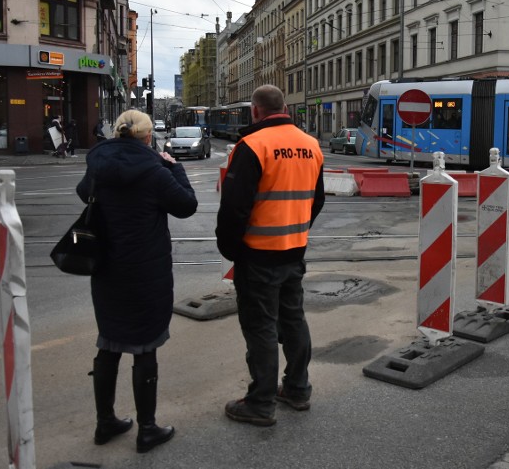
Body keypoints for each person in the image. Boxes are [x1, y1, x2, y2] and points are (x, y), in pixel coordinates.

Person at [76, 109, 198, 453]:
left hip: (107, 270)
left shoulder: (98, 167)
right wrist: (174, 166)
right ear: (148, 138)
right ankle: (147, 429)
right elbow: (187, 205)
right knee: (145, 346)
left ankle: (105, 423)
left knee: (109, 342)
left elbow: (84, 194)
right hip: (146, 272)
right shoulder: (154, 171)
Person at [216, 84, 325, 427]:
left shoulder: (252, 146)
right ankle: (297, 389)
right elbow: (317, 200)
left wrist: (232, 251)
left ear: (255, 111)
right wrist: (295, 229)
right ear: (285, 108)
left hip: (258, 255)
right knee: (293, 319)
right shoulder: (311, 145)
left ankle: (261, 402)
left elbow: (234, 208)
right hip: (294, 250)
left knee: (261, 326)